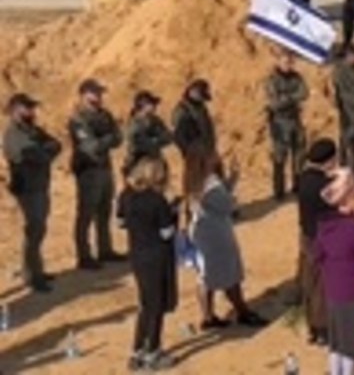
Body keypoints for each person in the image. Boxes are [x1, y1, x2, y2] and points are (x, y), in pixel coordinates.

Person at [182, 147, 267, 330]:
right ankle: (242, 311)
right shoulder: (210, 184)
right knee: (230, 273)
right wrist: (234, 199)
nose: (218, 157)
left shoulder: (195, 180)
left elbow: (219, 196)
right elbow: (227, 205)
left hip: (202, 233)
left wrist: (232, 179)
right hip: (215, 235)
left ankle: (208, 316)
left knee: (205, 275)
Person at [314, 168, 354, 375]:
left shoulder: (324, 226)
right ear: (348, 199)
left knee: (338, 344)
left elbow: (318, 256)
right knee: (352, 348)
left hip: (334, 292)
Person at [118, 157, 180, 371]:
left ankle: (138, 350)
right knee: (156, 306)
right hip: (157, 257)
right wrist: (174, 214)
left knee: (145, 304)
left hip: (137, 255)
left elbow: (121, 222)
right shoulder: (157, 200)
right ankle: (152, 351)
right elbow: (166, 232)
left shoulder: (127, 196)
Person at [4, 93, 60, 293]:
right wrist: (44, 152)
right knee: (34, 231)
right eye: (27, 108)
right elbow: (35, 155)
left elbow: (55, 145)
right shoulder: (13, 135)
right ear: (15, 109)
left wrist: (44, 151)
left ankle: (37, 270)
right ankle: (31, 275)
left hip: (39, 185)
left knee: (39, 230)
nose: (31, 111)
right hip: (27, 189)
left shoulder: (32, 130)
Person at [69, 78, 125, 269]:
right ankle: (84, 255)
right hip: (88, 170)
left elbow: (119, 138)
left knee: (104, 210)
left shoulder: (104, 115)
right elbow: (91, 146)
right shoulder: (78, 118)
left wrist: (106, 140)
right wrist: (107, 139)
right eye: (95, 93)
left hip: (104, 167)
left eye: (100, 93)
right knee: (85, 214)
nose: (99, 97)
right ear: (84, 94)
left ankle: (105, 249)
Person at [298, 139, 339, 346]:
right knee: (322, 285)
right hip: (321, 237)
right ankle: (323, 329)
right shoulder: (323, 185)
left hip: (306, 235)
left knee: (309, 282)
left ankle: (312, 328)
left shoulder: (304, 179)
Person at [265, 51, 310, 200]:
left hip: (295, 120)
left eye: (291, 62)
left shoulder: (296, 77)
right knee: (280, 157)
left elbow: (304, 93)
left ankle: (298, 186)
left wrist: (286, 97)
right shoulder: (272, 80)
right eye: (285, 62)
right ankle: (279, 191)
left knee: (299, 154)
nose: (288, 65)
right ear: (278, 62)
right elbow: (275, 103)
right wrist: (292, 97)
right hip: (279, 122)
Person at [123, 90, 172, 176]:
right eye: (151, 104)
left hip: (155, 161)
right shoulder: (134, 122)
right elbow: (139, 142)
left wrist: (155, 141)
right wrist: (156, 141)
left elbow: (168, 137)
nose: (154, 106)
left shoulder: (155, 120)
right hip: (138, 163)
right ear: (143, 105)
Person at [172, 79, 215, 157]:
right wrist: (189, 150)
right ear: (193, 92)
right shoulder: (182, 109)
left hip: (206, 152)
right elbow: (178, 135)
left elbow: (208, 130)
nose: (202, 99)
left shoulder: (201, 108)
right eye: (201, 95)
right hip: (193, 153)